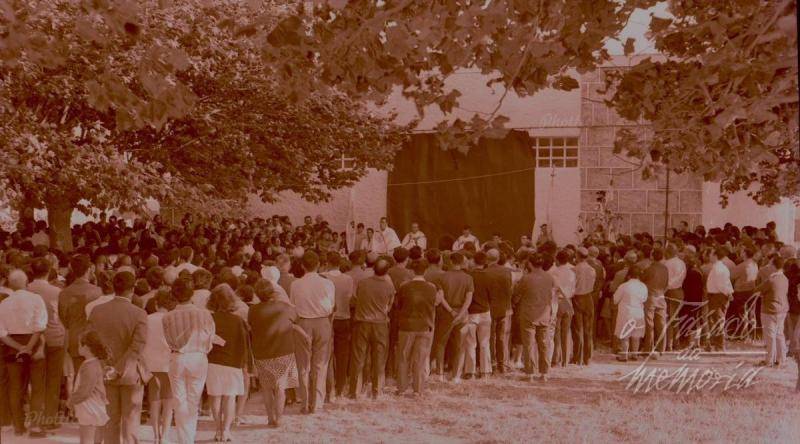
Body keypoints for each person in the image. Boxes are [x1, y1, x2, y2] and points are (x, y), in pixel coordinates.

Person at [86, 271, 148, 444]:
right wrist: (118, 368)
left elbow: (90, 341)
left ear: (114, 287)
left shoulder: (97, 311)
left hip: (104, 372)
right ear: (133, 289)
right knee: (130, 420)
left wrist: (106, 365)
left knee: (109, 419)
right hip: (130, 373)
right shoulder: (139, 314)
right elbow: (137, 346)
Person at [162, 277, 215, 444]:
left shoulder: (167, 317)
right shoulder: (205, 314)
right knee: (193, 400)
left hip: (177, 357)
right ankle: (188, 439)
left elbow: (167, 340)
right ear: (192, 294)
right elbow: (210, 337)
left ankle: (185, 439)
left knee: (179, 400)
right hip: (198, 356)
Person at [0, 269, 48, 437]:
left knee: (15, 387)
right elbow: (40, 326)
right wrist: (28, 347)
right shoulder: (36, 299)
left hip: (12, 346)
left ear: (10, 284)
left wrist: (19, 347)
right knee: (37, 386)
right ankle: (35, 426)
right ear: (26, 282)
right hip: (34, 344)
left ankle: (18, 426)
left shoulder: (3, 304)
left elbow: (2, 333)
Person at [249, 280, 300, 428]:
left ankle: (270, 418)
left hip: (262, 352)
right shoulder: (284, 307)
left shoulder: (253, 310)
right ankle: (279, 418)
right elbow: (295, 318)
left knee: (266, 388)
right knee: (280, 387)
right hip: (283, 351)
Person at [289, 251, 335, 413]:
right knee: (320, 363)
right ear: (318, 265)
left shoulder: (295, 284)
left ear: (302, 266)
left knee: (303, 365)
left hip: (303, 322)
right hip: (322, 322)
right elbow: (331, 306)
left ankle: (305, 402)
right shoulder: (328, 283)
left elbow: (293, 306)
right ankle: (317, 403)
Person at [206, 284, 250, 442]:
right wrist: (244, 364)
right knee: (230, 398)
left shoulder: (209, 319)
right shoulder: (238, 320)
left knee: (215, 397)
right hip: (233, 362)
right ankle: (226, 431)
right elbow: (244, 344)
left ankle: (217, 430)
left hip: (213, 362)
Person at [395, 259, 447, 395]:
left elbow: (398, 305)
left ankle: (401, 389)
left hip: (406, 326)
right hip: (425, 326)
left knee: (403, 357)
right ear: (426, 271)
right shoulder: (432, 287)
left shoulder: (404, 287)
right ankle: (418, 390)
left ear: (412, 271)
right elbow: (436, 303)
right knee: (420, 359)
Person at [27, 256, 67, 431]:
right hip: (55, 337)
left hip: (33, 339)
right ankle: (50, 418)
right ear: (49, 271)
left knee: (36, 380)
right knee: (53, 380)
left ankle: (35, 418)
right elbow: (63, 316)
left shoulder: (26, 289)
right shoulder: (57, 292)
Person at [349, 257, 395, 399]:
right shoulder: (389, 287)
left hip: (362, 323)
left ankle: (354, 391)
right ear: (387, 271)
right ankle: (377, 391)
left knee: (358, 357)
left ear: (373, 268)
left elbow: (356, 299)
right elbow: (389, 306)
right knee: (379, 358)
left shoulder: (363, 283)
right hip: (380, 324)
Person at [513, 253, 556, 381]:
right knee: (544, 344)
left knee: (528, 344)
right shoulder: (550, 277)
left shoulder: (526, 278)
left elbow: (516, 294)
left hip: (528, 314)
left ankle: (530, 373)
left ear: (530, 264)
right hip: (544, 314)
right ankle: (544, 373)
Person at [431, 252, 473, 382]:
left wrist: (451, 311)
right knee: (459, 345)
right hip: (462, 313)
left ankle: (440, 374)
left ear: (450, 261)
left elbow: (441, 297)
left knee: (441, 343)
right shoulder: (468, 278)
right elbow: (468, 299)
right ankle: (456, 375)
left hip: (446, 313)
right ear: (462, 263)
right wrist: (461, 313)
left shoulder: (442, 277)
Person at [142, 289, 176, 444]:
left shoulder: (147, 319)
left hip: (150, 364)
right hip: (168, 363)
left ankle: (155, 435)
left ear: (156, 304)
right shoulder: (173, 319)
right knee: (168, 402)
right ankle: (165, 435)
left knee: (154, 401)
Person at [59, 254, 103, 371]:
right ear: (88, 270)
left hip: (75, 338)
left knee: (79, 374)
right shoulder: (98, 291)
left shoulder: (64, 293)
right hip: (94, 339)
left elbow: (64, 319)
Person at [68, 331, 110, 444]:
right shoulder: (94, 363)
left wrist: (71, 401)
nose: (77, 347)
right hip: (95, 405)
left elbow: (84, 391)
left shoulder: (89, 366)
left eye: (79, 345)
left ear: (86, 347)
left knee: (86, 440)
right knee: (95, 440)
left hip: (89, 406)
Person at [755, 256, 789, 367]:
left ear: (774, 266)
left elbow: (758, 289)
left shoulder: (771, 279)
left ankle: (769, 360)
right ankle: (782, 359)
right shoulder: (785, 278)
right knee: (779, 334)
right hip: (782, 309)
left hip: (769, 309)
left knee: (770, 336)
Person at [463, 251, 493, 378]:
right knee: (485, 343)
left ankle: (470, 371)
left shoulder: (468, 276)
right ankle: (485, 371)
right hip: (485, 311)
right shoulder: (489, 276)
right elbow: (492, 295)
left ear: (474, 261)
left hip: (471, 312)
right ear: (485, 262)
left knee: (470, 343)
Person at [484, 249, 513, 374]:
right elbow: (510, 289)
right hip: (503, 307)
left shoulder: (485, 272)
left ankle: (493, 363)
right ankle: (502, 364)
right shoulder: (507, 271)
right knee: (501, 337)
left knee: (490, 337)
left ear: (487, 258)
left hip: (489, 307)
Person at [613, 266, 648, 362]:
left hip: (626, 312)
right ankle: (634, 355)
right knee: (636, 335)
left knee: (625, 335)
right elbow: (644, 299)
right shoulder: (643, 286)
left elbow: (615, 299)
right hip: (638, 312)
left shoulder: (624, 286)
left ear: (629, 275)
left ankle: (624, 356)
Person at [549, 250, 575, 367]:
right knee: (566, 332)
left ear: (558, 260)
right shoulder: (572, 272)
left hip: (557, 301)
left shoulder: (553, 272)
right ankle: (565, 359)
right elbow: (573, 289)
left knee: (556, 332)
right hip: (568, 301)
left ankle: (556, 358)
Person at [706, 247, 734, 351]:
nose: (709, 256)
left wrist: (728, 293)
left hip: (718, 296)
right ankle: (715, 343)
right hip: (718, 295)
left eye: (711, 254)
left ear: (715, 256)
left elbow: (721, 285)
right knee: (716, 320)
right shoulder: (721, 267)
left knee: (717, 320)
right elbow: (727, 283)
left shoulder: (718, 268)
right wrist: (729, 293)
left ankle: (719, 344)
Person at [571, 247, 596, 366]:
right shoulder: (592, 269)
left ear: (578, 256)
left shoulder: (574, 269)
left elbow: (573, 286)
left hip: (578, 297)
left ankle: (578, 357)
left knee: (578, 329)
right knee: (588, 328)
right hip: (588, 297)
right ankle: (588, 357)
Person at [641, 249, 669, 356]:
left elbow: (642, 281)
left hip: (650, 297)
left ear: (652, 256)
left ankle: (648, 348)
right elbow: (666, 284)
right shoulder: (665, 269)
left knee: (649, 324)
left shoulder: (649, 269)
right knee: (661, 324)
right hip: (661, 296)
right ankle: (661, 348)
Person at [662, 245, 687, 351]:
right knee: (675, 319)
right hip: (679, 291)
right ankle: (676, 343)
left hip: (670, 292)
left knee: (668, 319)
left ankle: (669, 344)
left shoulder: (667, 264)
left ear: (667, 253)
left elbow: (666, 280)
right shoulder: (682, 263)